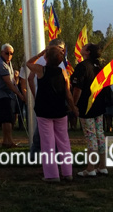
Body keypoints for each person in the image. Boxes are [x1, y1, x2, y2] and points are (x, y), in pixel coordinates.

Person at [26, 46, 77, 182]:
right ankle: (68, 172)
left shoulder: (41, 70)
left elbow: (28, 63)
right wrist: (73, 108)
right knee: (64, 142)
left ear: (46, 58)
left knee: (47, 143)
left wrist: (39, 54)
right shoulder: (63, 73)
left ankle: (52, 175)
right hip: (60, 110)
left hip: (44, 111)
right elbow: (68, 94)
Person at [70, 43, 108, 177]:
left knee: (90, 135)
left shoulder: (82, 67)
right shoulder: (99, 67)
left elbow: (77, 89)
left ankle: (91, 168)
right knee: (100, 134)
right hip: (99, 105)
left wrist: (73, 105)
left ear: (88, 52)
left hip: (86, 106)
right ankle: (102, 166)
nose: (82, 47)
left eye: (84, 47)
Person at [0, 44, 25, 148]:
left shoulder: (8, 63)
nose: (9, 55)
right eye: (7, 53)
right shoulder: (1, 64)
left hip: (7, 95)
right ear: (2, 53)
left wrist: (16, 79)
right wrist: (20, 94)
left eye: (11, 54)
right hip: (2, 95)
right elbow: (8, 83)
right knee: (7, 119)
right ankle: (8, 141)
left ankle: (7, 141)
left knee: (8, 118)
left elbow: (13, 81)